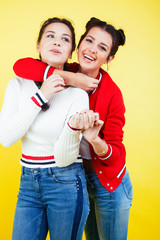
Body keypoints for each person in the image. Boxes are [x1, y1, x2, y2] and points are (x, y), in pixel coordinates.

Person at [13, 17, 133, 240]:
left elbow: (116, 155)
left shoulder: (112, 93)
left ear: (110, 57)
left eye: (102, 48)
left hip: (107, 183)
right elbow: (21, 66)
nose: (92, 50)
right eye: (89, 41)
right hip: (73, 179)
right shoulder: (63, 71)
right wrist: (72, 78)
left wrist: (95, 140)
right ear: (78, 45)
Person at [0, 17, 101, 240]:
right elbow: (6, 138)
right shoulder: (17, 85)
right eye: (50, 36)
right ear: (38, 45)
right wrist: (42, 95)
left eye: (65, 40)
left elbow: (64, 158)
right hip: (28, 184)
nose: (57, 42)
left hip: (66, 183)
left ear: (70, 53)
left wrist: (73, 128)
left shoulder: (77, 94)